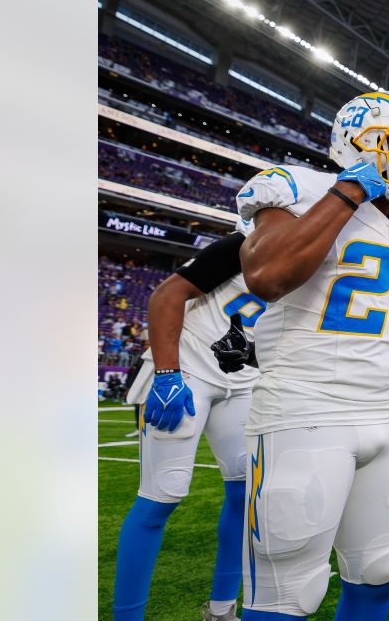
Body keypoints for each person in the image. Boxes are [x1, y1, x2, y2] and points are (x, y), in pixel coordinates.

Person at [235, 92, 389, 620]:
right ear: (358, 143)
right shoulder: (302, 189)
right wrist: (350, 188)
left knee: (377, 571)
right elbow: (267, 276)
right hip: (304, 410)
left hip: (388, 414)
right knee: (289, 588)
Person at [111, 221, 265, 621]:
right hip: (189, 369)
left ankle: (221, 608)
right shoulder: (245, 244)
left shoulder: (315, 256)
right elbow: (167, 295)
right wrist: (166, 371)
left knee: (246, 495)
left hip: (244, 379)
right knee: (162, 493)